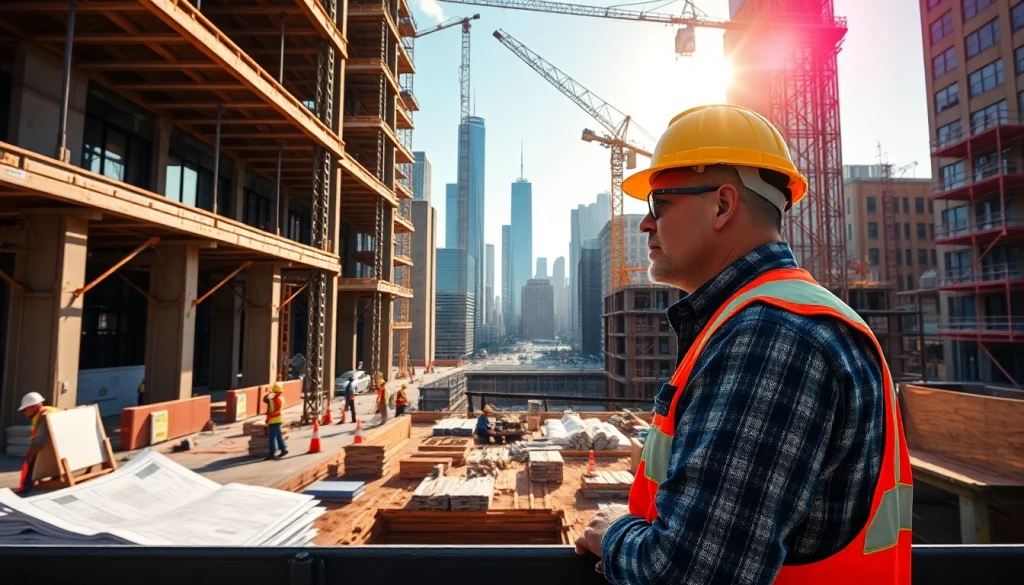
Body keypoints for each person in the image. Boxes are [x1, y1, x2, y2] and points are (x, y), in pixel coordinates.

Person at [573, 104, 912, 585]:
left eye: (659, 203)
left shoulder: (773, 336)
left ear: (723, 205)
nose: (646, 224)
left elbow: (693, 573)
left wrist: (615, 535)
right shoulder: (766, 320)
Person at [17, 392, 60, 495]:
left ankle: (27, 487)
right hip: (58, 448)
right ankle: (56, 476)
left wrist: (30, 455)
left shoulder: (44, 417)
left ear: (35, 407)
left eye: (25, 409)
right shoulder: (52, 411)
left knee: (31, 458)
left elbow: (40, 441)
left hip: (51, 450)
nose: (25, 412)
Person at [263, 379, 288, 460]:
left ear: (277, 392)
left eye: (274, 392)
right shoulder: (274, 398)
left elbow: (278, 411)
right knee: (278, 436)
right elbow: (265, 400)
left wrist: (269, 416)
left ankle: (272, 453)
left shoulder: (277, 399)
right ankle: (284, 449)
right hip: (276, 420)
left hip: (274, 420)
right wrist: (269, 394)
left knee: (272, 438)